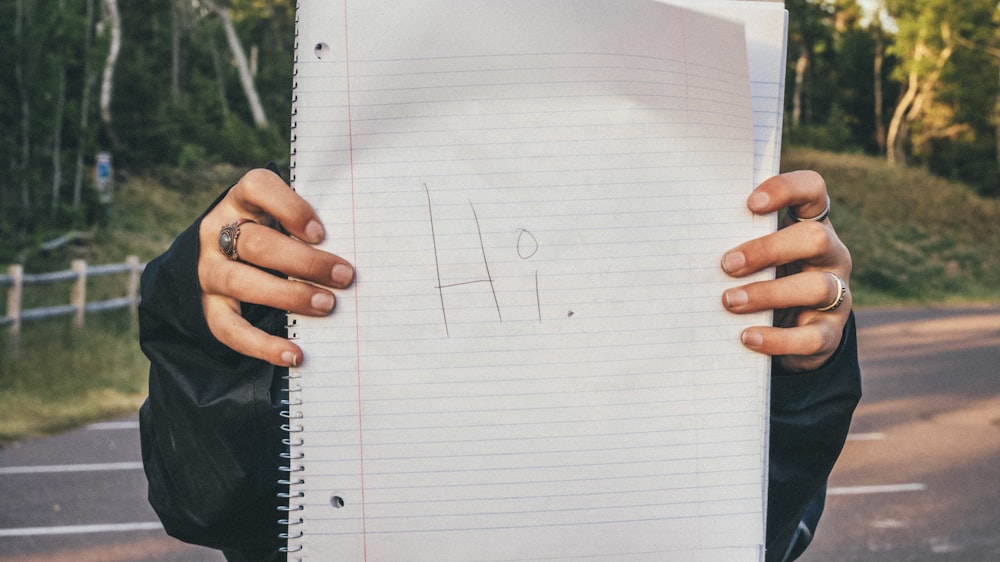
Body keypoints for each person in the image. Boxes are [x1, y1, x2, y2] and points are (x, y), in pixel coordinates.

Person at [138, 166, 861, 562]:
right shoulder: (320, 213)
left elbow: (759, 537)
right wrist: (198, 313)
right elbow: (210, 502)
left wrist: (799, 370)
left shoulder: (707, 199)